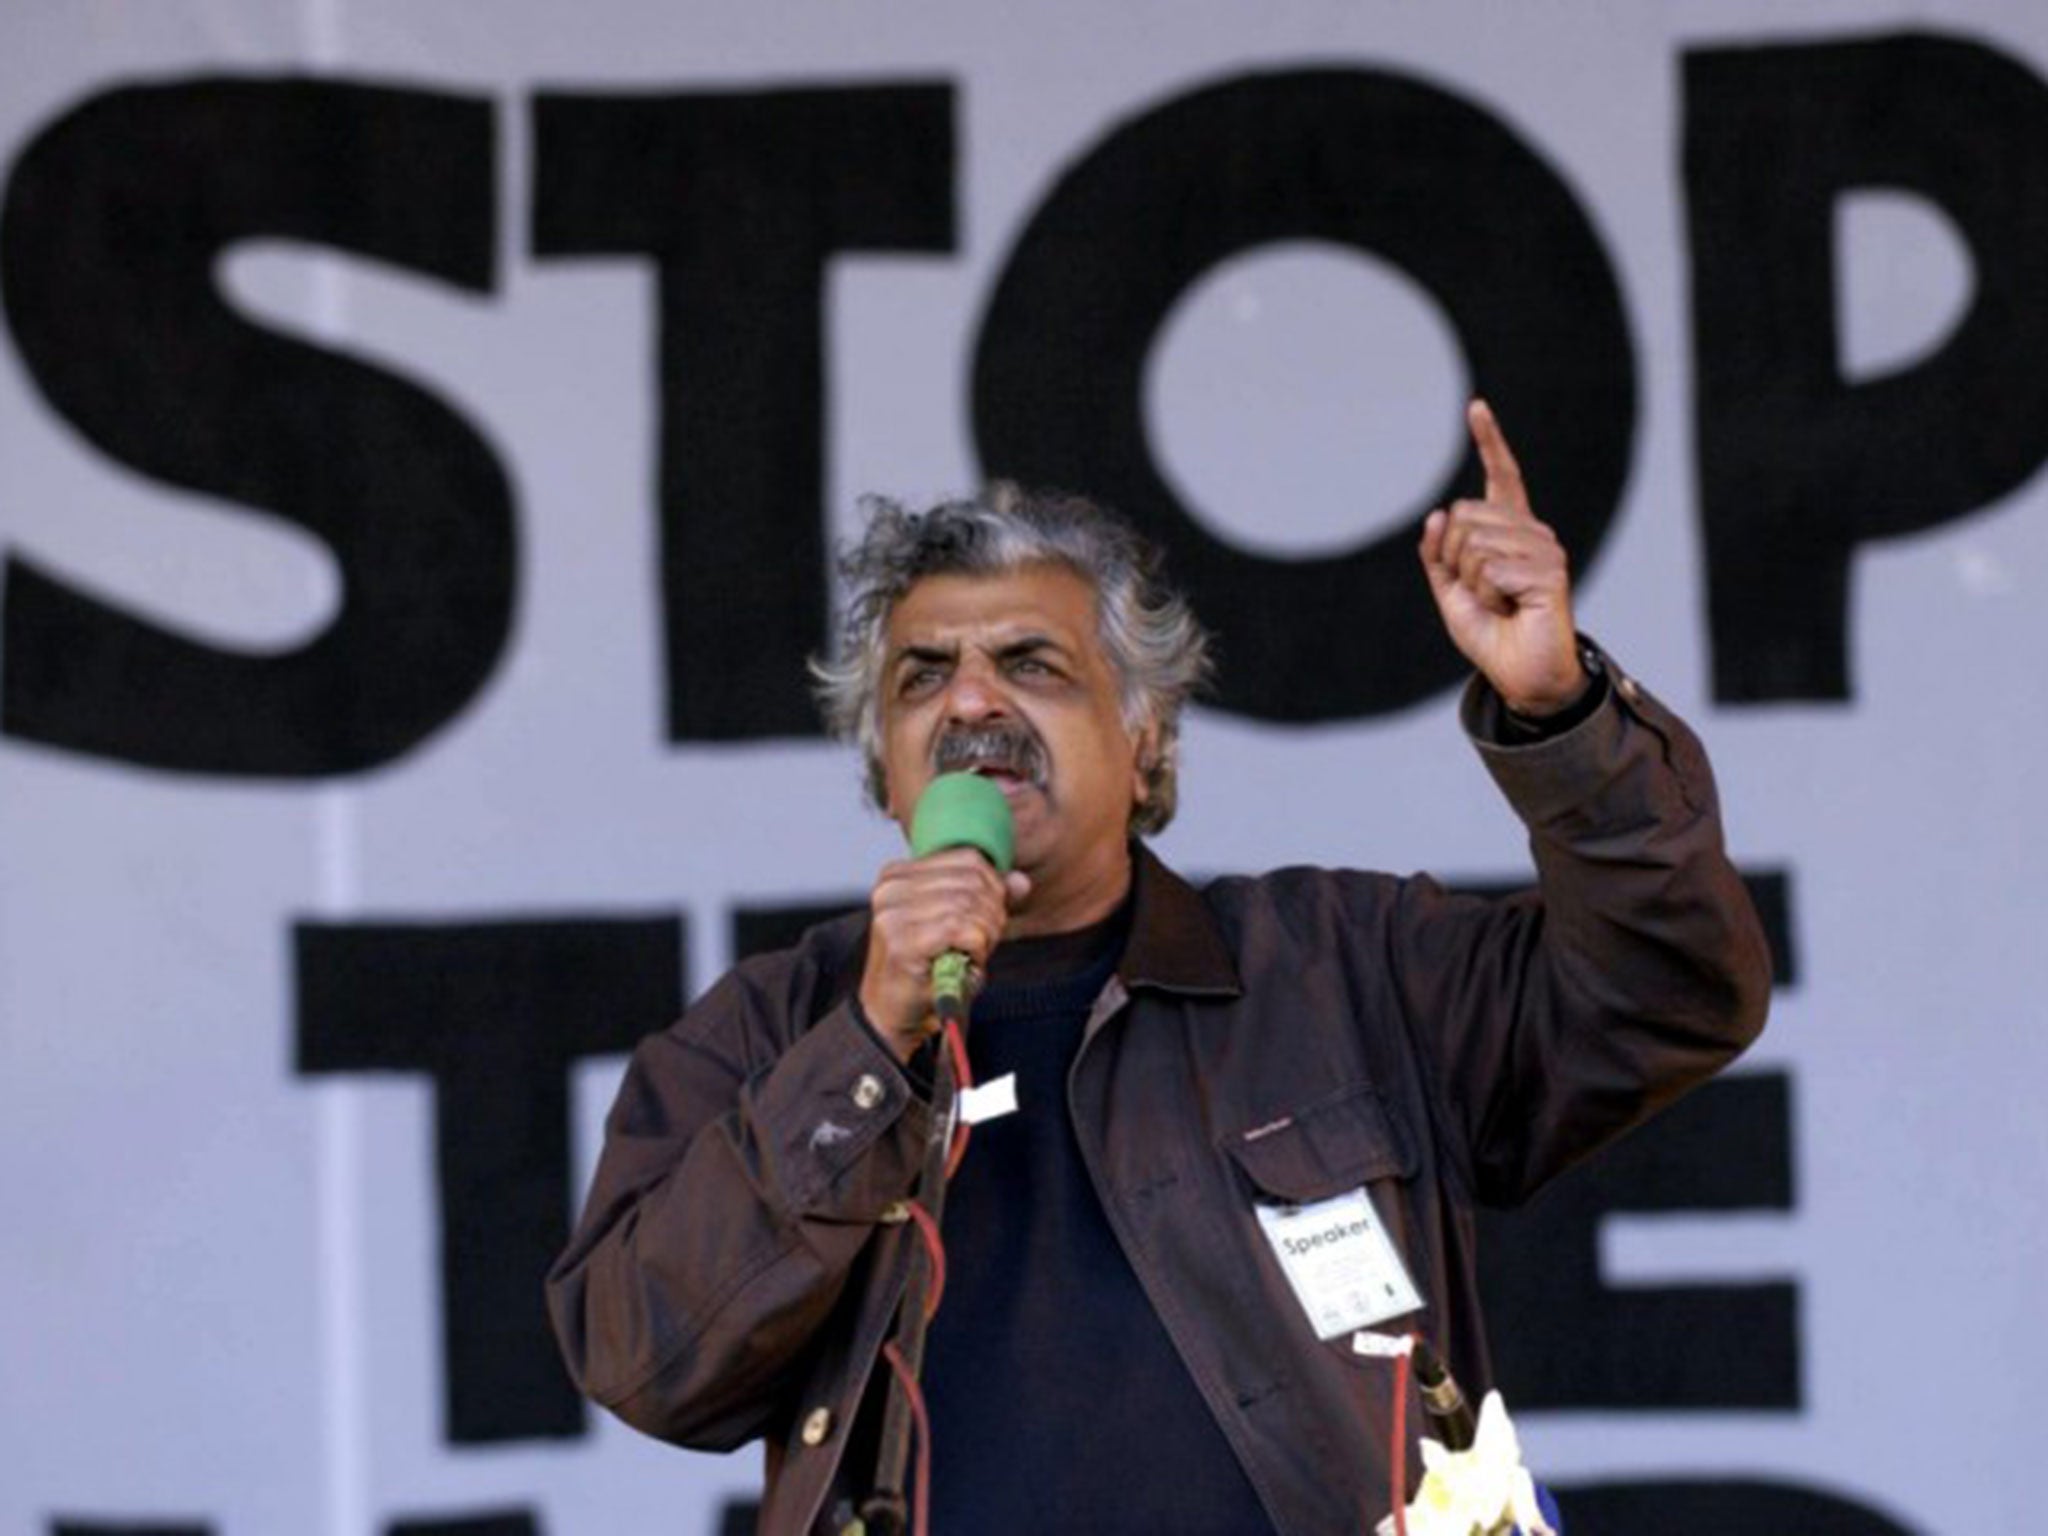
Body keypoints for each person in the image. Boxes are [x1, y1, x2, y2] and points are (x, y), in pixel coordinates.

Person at [546, 401, 1772, 1535]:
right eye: (923, 676)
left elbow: (1672, 994)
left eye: (1032, 663)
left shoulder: (1344, 969)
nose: (971, 698)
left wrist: (1561, 713)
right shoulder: (772, 1031)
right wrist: (867, 1044)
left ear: (1142, 742)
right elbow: (645, 1359)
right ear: (884, 764)